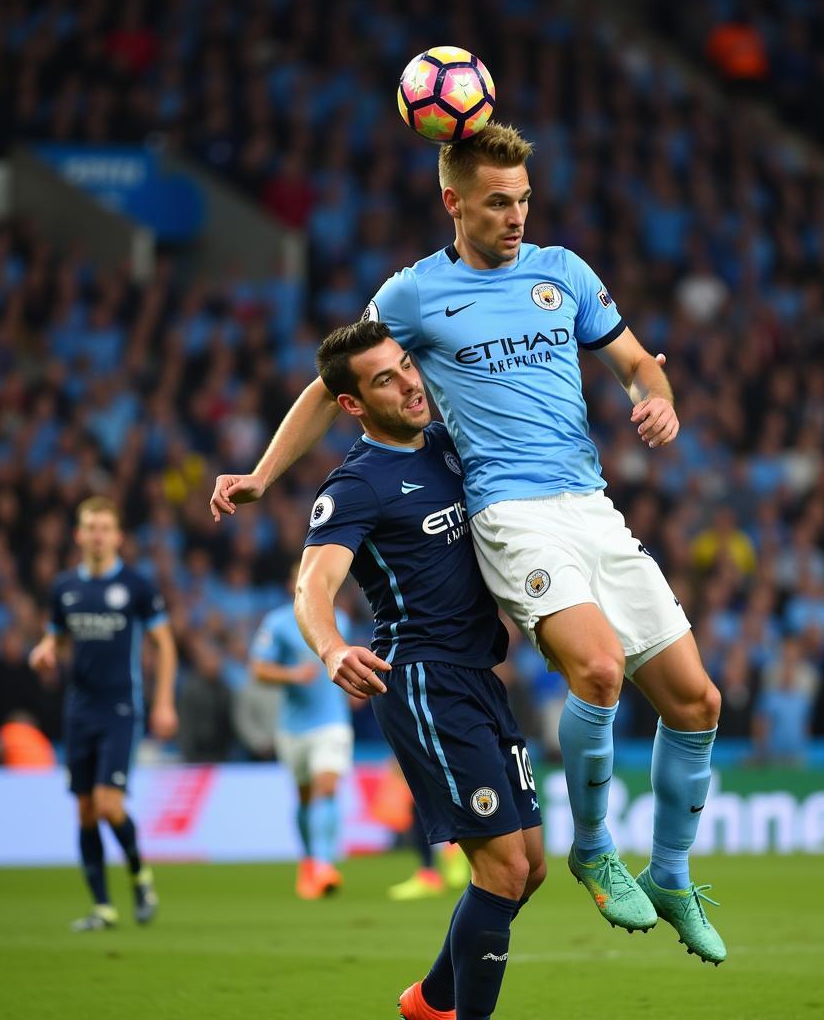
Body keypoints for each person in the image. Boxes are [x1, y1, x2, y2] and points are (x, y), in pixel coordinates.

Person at [211, 122, 725, 963]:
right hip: (509, 513)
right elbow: (327, 386)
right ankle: (594, 848)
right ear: (453, 203)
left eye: (523, 199)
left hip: (589, 504)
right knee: (597, 669)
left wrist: (656, 393)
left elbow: (639, 362)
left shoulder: (565, 273)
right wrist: (264, 475)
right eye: (497, 203)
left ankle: (670, 871)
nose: (516, 216)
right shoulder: (413, 295)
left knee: (697, 702)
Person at [294, 320, 546, 1020]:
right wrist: (332, 648)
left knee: (529, 872)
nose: (408, 382)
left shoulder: (448, 443)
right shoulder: (356, 487)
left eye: (406, 365)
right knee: (500, 870)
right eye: (384, 378)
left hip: (480, 676)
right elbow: (311, 588)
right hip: (425, 681)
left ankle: (432, 1001)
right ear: (352, 405)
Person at [28, 497, 178, 931]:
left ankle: (139, 877)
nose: (97, 535)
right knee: (85, 810)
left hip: (120, 708)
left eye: (104, 528)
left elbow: (164, 644)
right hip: (79, 708)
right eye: (90, 527)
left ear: (117, 536)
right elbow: (55, 637)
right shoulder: (64, 588)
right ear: (78, 535)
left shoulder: (135, 586)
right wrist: (44, 651)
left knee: (110, 804)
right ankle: (102, 908)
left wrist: (164, 701)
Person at [249, 564, 354, 900]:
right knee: (306, 797)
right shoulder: (277, 623)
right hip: (293, 727)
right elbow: (258, 670)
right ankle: (309, 862)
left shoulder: (342, 619)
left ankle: (324, 864)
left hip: (332, 722)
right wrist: (293, 676)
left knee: (326, 787)